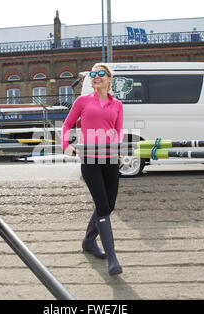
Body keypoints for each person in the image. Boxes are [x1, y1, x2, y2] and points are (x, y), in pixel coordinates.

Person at [62, 63, 124, 276]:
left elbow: (118, 131)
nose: (96, 77)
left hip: (110, 158)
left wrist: (119, 150)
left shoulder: (117, 105)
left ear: (109, 79)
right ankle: (112, 258)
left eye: (100, 74)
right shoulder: (82, 101)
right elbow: (67, 125)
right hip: (89, 158)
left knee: (109, 204)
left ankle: (88, 241)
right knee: (102, 205)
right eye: (93, 74)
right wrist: (66, 145)